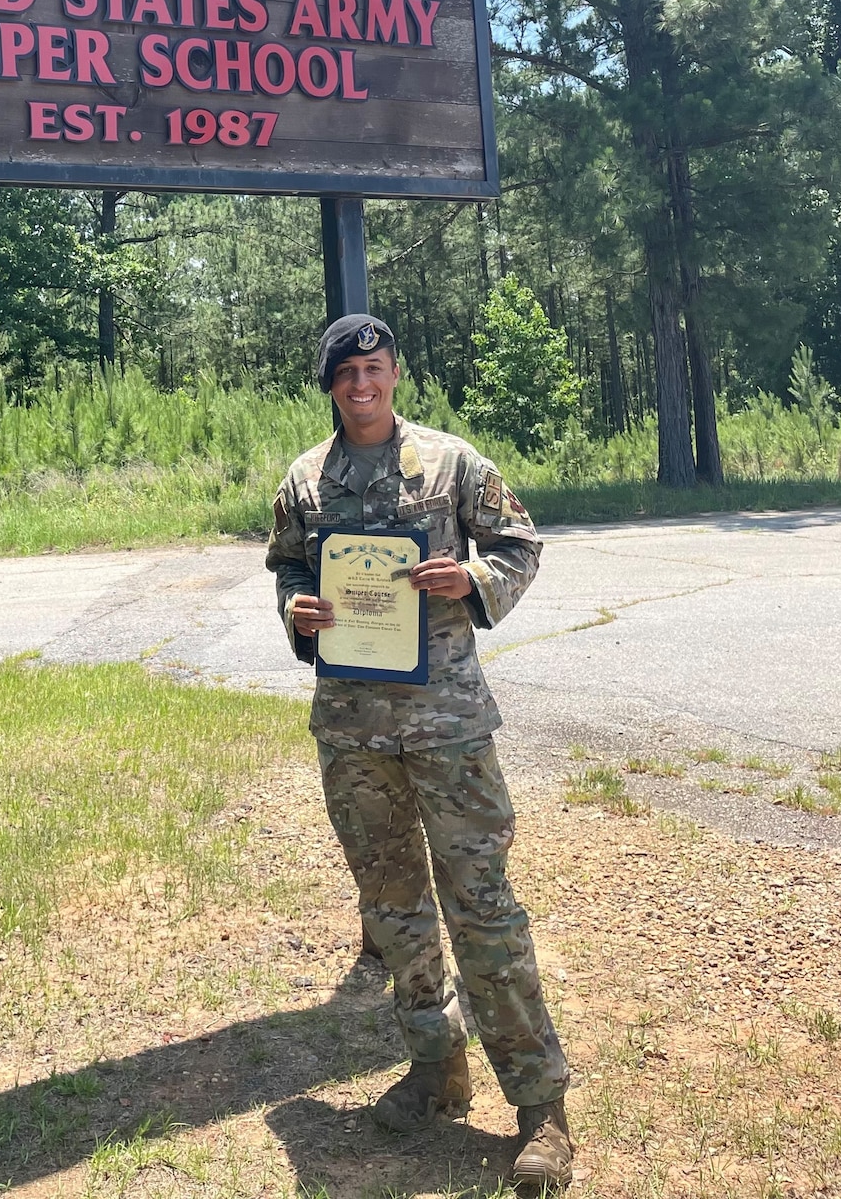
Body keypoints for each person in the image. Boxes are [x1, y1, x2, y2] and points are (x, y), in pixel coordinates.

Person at [266, 312, 573, 1193]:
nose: (360, 385)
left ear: (394, 372)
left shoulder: (450, 463)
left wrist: (472, 580)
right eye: (344, 373)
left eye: (373, 368)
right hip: (355, 733)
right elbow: (287, 567)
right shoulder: (305, 480)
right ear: (328, 386)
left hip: (447, 726)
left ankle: (541, 1103)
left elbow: (521, 543)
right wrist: (297, 612)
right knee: (396, 910)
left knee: (483, 907)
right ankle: (436, 1068)